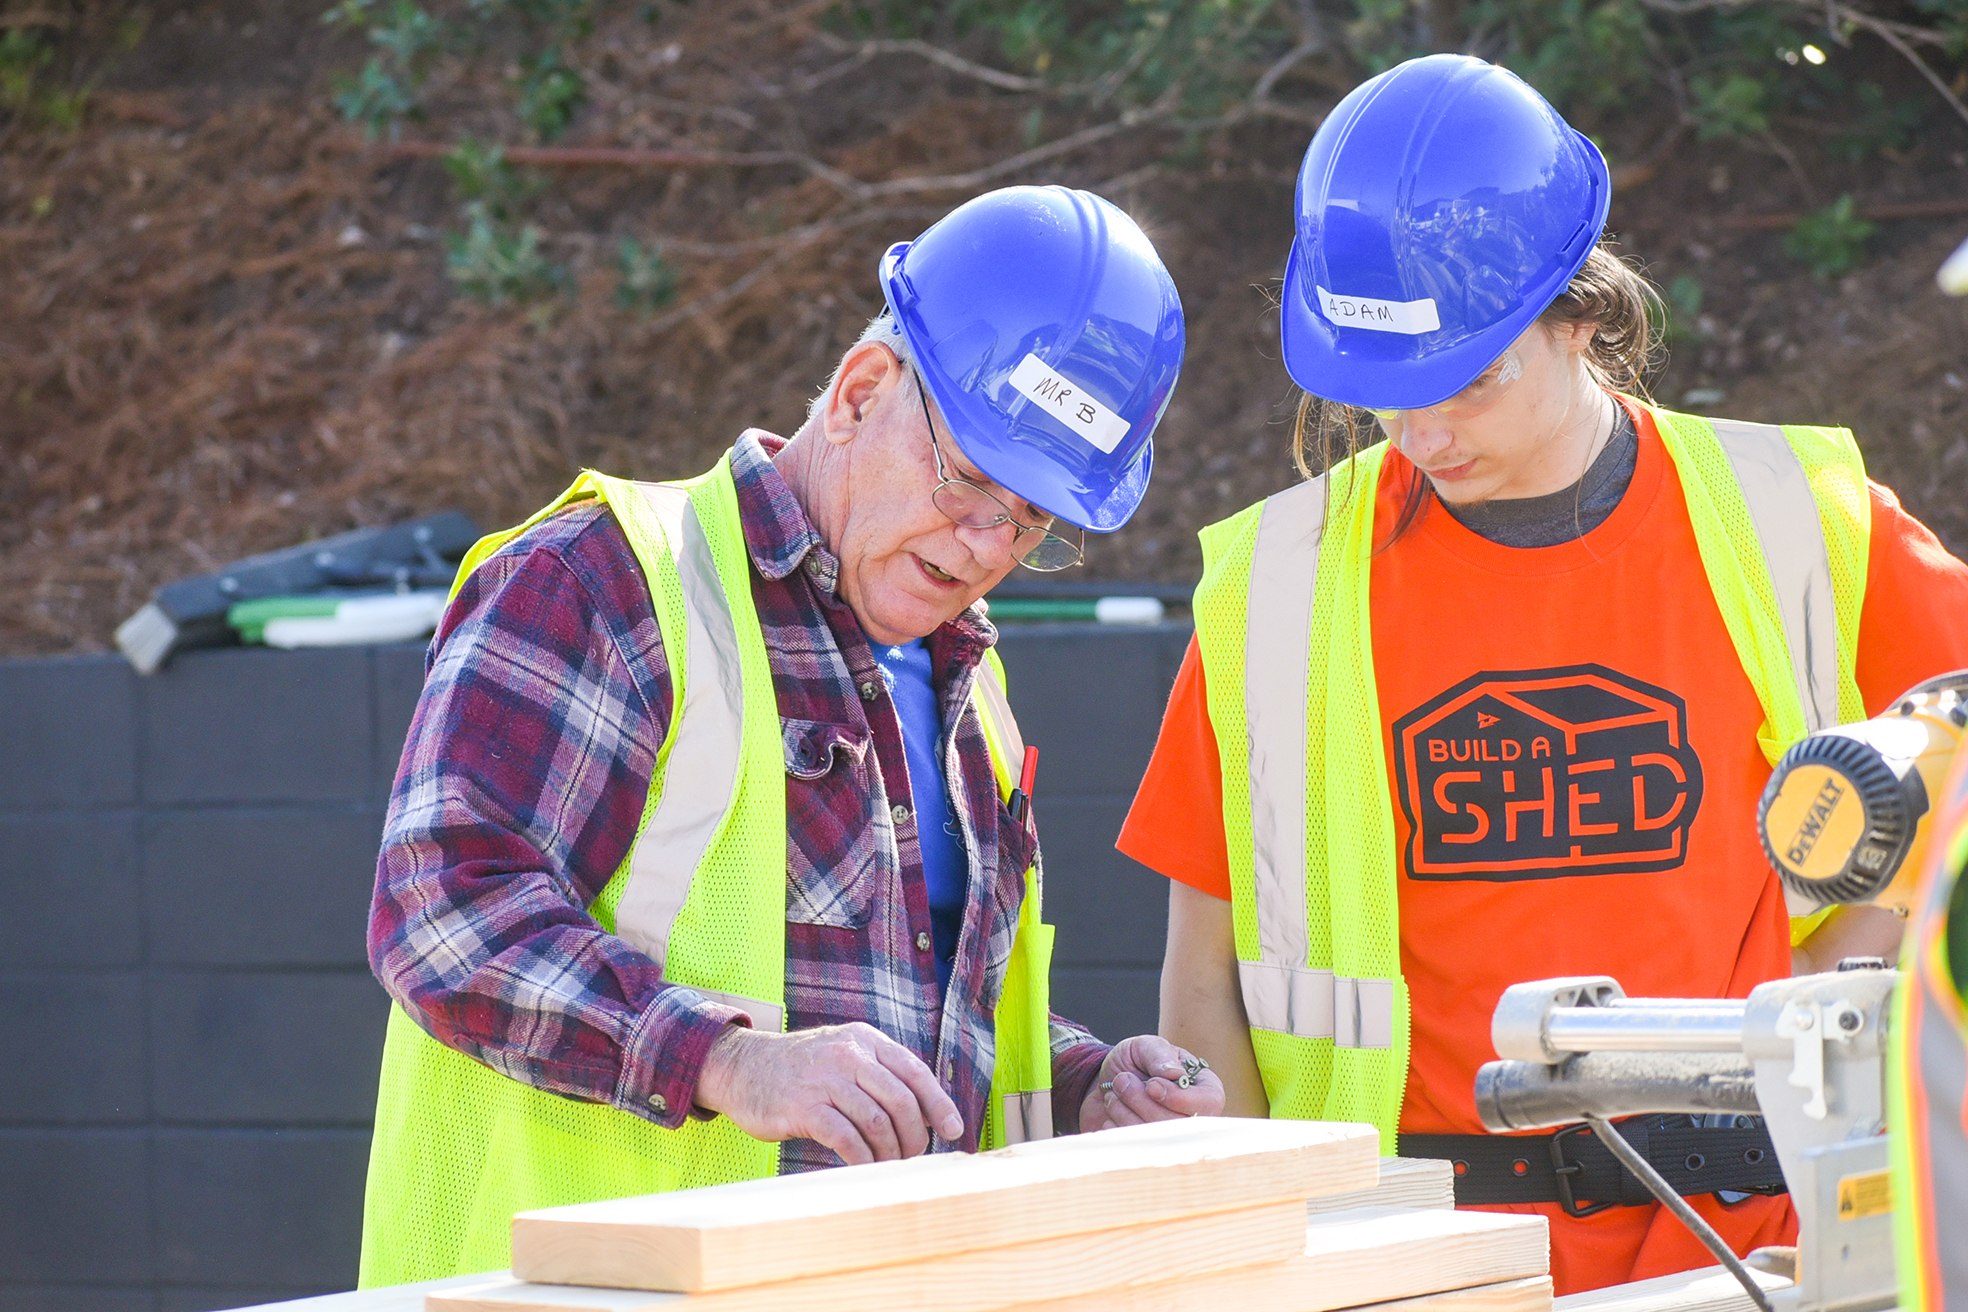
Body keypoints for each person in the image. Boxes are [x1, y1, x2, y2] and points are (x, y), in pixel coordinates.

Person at [1117, 55, 1968, 1295]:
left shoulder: (1808, 521)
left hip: (1762, 1242)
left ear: (1578, 313)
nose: (1425, 433)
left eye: (1465, 378)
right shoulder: (1275, 588)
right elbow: (1206, 964)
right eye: (1384, 391)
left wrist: (1864, 970)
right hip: (1415, 1254)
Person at [358, 184, 1222, 1289]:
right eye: (971, 482)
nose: (987, 543)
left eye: (1032, 521)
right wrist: (726, 1062)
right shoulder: (609, 581)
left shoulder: (969, 683)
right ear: (863, 391)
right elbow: (441, 907)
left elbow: (916, 1008)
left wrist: (1082, 1082)